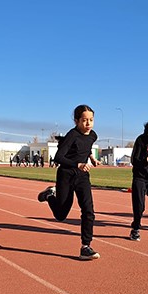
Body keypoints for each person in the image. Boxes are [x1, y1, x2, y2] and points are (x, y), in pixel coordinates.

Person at [37, 104, 101, 260]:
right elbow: (59, 157)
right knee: (60, 215)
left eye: (91, 120)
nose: (88, 124)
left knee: (88, 210)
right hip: (66, 174)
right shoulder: (72, 135)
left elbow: (86, 147)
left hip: (82, 176)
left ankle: (85, 246)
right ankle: (49, 195)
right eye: (84, 120)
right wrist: (77, 163)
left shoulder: (93, 135)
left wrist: (91, 157)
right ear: (76, 121)